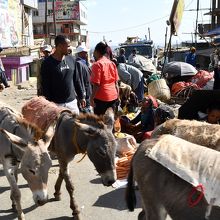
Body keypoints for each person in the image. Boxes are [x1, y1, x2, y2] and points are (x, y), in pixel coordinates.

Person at [40, 35, 85, 114]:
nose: (69, 48)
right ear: (60, 46)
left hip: (72, 103)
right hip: (56, 105)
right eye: (68, 46)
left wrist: (81, 97)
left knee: (75, 125)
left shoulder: (71, 59)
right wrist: (49, 104)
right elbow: (45, 86)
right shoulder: (47, 63)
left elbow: (76, 80)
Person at [90, 41, 119, 115]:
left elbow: (96, 84)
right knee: (110, 121)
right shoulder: (112, 63)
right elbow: (116, 83)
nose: (93, 54)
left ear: (96, 51)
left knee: (100, 122)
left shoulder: (97, 64)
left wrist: (91, 98)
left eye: (94, 52)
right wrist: (117, 96)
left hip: (101, 98)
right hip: (113, 96)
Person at [75, 44, 92, 113]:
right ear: (81, 53)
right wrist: (83, 96)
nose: (86, 54)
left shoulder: (84, 63)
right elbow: (80, 80)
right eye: (85, 52)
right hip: (85, 94)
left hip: (87, 93)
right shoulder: (78, 63)